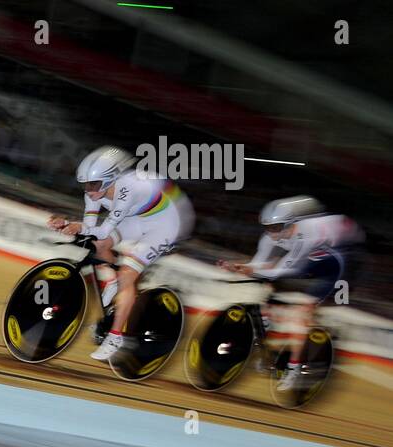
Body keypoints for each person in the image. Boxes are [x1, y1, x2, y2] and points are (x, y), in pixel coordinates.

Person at [48, 145, 194, 361]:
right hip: (138, 219)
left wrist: (71, 224)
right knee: (98, 246)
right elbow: (91, 228)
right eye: (85, 185)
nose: (88, 190)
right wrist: (71, 225)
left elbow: (104, 228)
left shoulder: (127, 190)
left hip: (164, 225)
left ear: (110, 179)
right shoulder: (94, 190)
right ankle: (113, 286)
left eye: (93, 184)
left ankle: (115, 337)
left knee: (127, 274)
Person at [218, 196, 364, 391]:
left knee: (301, 312)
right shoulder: (272, 235)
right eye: (267, 227)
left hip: (339, 261)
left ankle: (294, 369)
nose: (271, 233)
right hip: (319, 251)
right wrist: (240, 266)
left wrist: (247, 269)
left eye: (276, 228)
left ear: (290, 224)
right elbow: (258, 264)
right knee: (269, 276)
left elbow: (282, 271)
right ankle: (266, 324)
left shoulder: (306, 235)